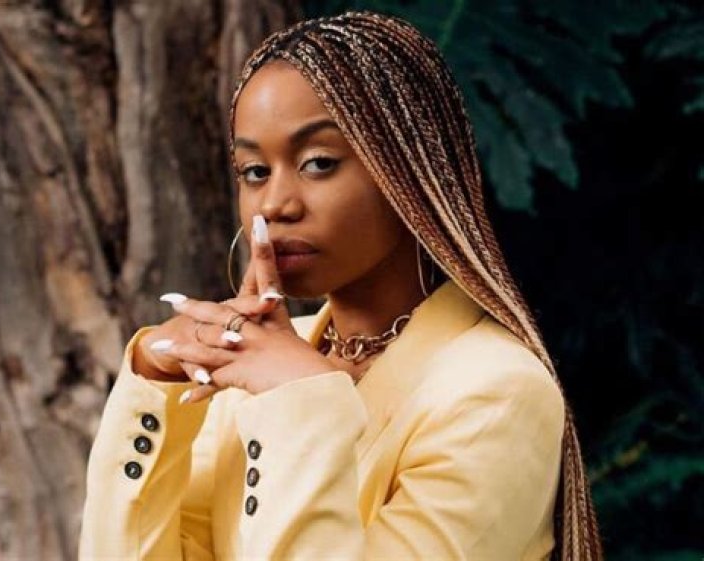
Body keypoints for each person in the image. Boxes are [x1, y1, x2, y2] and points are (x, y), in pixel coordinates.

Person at [78, 10, 603, 561]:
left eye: (318, 163)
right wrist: (155, 388)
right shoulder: (245, 367)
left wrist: (300, 400)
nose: (275, 204)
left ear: (409, 170)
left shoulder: (494, 390)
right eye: (255, 171)